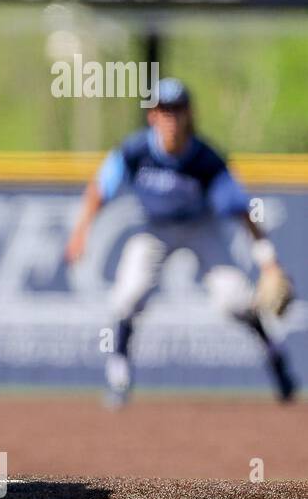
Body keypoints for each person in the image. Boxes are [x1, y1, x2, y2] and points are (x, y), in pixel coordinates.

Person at [64, 78, 298, 407]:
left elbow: (242, 212)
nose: (170, 117)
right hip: (155, 228)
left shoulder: (206, 160)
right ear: (152, 116)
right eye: (164, 110)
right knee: (128, 295)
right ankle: (118, 374)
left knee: (234, 300)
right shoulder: (135, 151)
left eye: (176, 109)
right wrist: (80, 233)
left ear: (189, 114)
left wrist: (268, 260)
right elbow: (99, 190)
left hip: (199, 227)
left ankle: (276, 357)